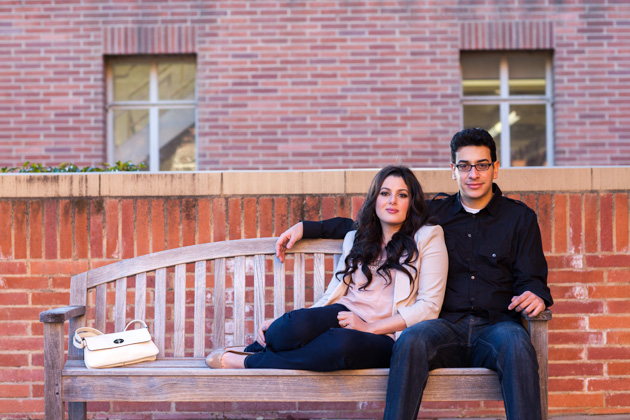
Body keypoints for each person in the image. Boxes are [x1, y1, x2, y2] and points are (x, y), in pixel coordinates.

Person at [275, 128, 553, 420]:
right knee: (410, 340)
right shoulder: (435, 213)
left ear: (495, 169)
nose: (473, 174)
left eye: (482, 165)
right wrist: (307, 228)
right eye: (464, 165)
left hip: (496, 327)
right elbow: (375, 221)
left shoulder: (519, 218)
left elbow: (532, 278)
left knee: (519, 344)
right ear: (453, 170)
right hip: (442, 325)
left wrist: (536, 295)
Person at [206, 165, 448, 371]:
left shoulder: (428, 236)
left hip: (386, 335)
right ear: (375, 199)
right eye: (385, 193)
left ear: (412, 202)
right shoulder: (357, 238)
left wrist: (369, 327)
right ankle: (258, 347)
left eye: (402, 195)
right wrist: (284, 323)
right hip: (344, 313)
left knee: (337, 345)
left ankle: (250, 363)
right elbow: (333, 292)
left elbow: (429, 307)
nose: (392, 201)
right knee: (292, 325)